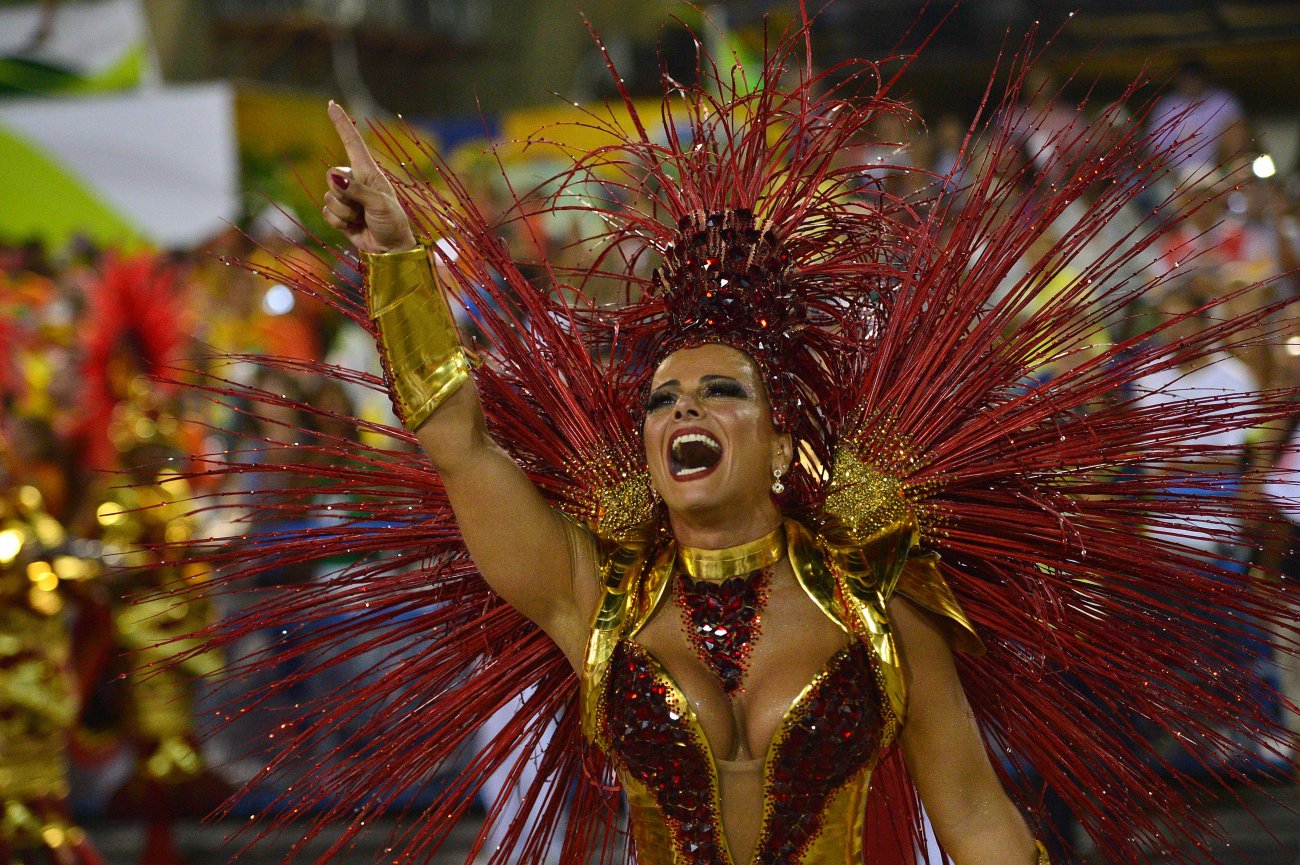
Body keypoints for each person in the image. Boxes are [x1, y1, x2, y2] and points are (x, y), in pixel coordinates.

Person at [199, 15, 1299, 865]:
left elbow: (974, 817)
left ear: (778, 448)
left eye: (719, 392)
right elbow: (459, 443)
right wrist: (400, 262)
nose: (681, 411)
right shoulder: (593, 600)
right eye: (662, 400)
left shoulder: (878, 606)